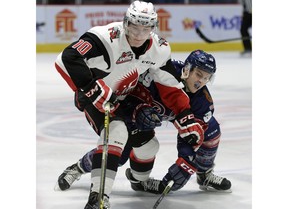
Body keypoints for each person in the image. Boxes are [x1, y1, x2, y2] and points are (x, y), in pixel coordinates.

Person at [54, 0, 205, 209]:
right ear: (126, 22)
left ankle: (139, 182)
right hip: (93, 99)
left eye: (145, 29)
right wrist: (92, 88)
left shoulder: (158, 49)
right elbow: (66, 58)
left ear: (153, 28)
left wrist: (185, 115)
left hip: (123, 99)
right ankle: (97, 197)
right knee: (117, 133)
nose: (138, 34)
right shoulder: (105, 38)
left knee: (149, 146)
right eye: (134, 27)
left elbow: (169, 83)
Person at [55, 50, 231, 197]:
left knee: (211, 131)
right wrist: (136, 110)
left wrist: (186, 163)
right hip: (128, 112)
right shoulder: (162, 73)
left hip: (149, 116)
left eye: (207, 78)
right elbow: (127, 92)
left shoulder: (202, 101)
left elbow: (192, 136)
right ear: (187, 69)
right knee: (120, 154)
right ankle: (77, 168)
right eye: (199, 74)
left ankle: (203, 174)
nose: (201, 82)